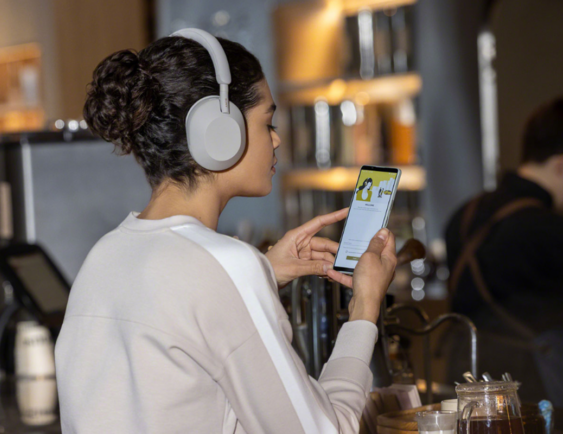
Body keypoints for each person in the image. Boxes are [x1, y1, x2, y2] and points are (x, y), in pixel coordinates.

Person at [54, 30, 397, 434]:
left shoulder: (104, 256)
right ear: (219, 131)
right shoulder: (227, 267)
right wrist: (365, 310)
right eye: (267, 122)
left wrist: (263, 271)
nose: (277, 139)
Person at [445, 97, 563, 408]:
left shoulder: (464, 214)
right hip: (536, 395)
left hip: (463, 382)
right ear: (562, 165)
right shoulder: (556, 232)